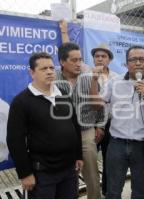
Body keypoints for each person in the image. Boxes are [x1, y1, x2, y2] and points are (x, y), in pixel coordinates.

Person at [6, 52, 83, 199]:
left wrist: (78, 155)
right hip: (43, 174)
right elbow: (15, 140)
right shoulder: (21, 102)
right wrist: (25, 173)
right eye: (43, 69)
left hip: (69, 170)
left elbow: (75, 125)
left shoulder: (63, 95)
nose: (49, 71)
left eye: (51, 68)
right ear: (32, 73)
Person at [90, 45, 144, 199]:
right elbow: (96, 105)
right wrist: (94, 81)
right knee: (113, 191)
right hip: (117, 144)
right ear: (126, 63)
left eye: (142, 59)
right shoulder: (114, 82)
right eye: (133, 59)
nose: (137, 63)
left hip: (143, 145)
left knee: (139, 192)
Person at [55, 42, 102, 199]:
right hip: (61, 133)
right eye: (73, 60)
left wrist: (100, 126)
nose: (78, 64)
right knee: (68, 175)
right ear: (62, 62)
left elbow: (99, 106)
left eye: (80, 60)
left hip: (85, 131)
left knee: (91, 174)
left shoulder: (89, 78)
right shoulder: (52, 78)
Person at [91, 43, 118, 197]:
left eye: (104, 56)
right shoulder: (87, 75)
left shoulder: (116, 77)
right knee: (89, 161)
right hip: (91, 124)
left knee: (110, 160)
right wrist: (98, 126)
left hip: (111, 124)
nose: (100, 59)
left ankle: (107, 191)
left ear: (109, 59)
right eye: (97, 56)